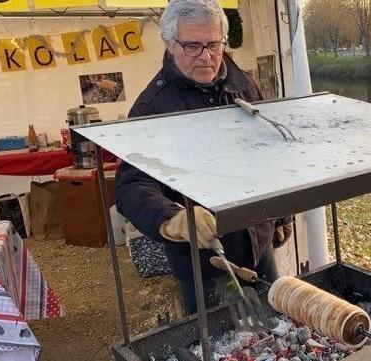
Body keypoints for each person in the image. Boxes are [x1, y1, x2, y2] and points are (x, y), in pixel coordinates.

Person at [115, 0, 292, 315]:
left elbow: (269, 153)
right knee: (220, 340)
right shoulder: (152, 107)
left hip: (258, 239)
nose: (206, 56)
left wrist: (281, 216)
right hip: (204, 256)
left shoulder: (243, 83)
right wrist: (173, 219)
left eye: (213, 44)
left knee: (277, 324)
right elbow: (131, 185)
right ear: (170, 45)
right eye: (192, 46)